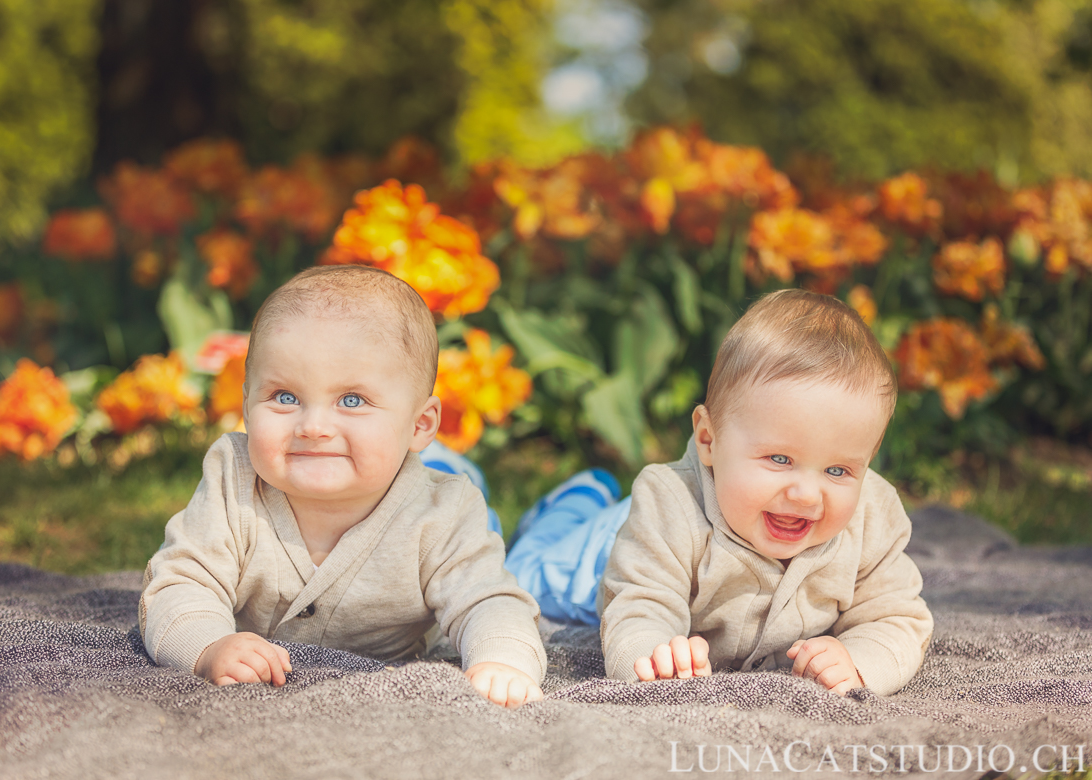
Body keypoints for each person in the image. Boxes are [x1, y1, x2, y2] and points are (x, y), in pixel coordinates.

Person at [139, 265, 546, 709]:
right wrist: (208, 647)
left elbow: (489, 599)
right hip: (383, 459)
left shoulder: (442, 512)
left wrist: (503, 662)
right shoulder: (233, 480)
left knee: (523, 542)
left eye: (352, 401)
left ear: (421, 423)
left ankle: (566, 503)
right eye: (284, 397)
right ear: (247, 406)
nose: (313, 427)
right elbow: (180, 582)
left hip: (421, 481)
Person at [507, 289, 933, 696]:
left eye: (838, 470)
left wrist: (859, 661)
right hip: (605, 557)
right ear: (709, 440)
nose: (806, 494)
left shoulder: (871, 517)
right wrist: (653, 654)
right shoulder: (670, 504)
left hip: (648, 534)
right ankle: (570, 504)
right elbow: (638, 606)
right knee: (528, 571)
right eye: (779, 460)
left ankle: (586, 496)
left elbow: (898, 616)